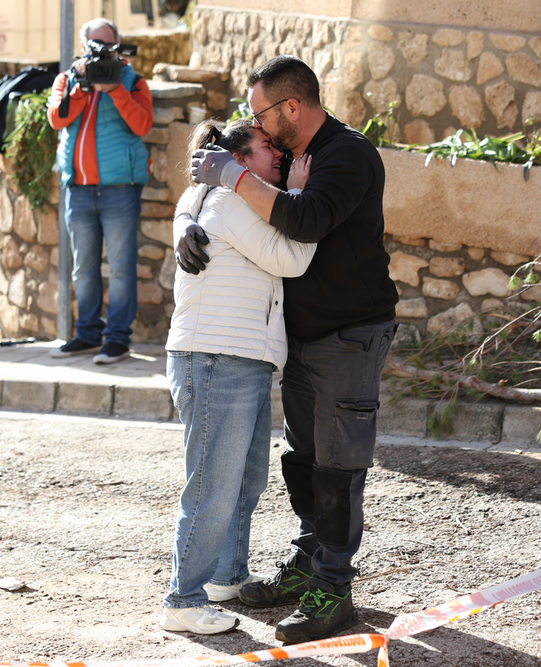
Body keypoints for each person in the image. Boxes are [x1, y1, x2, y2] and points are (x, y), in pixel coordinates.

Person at [179, 55, 400, 644]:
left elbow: (303, 224)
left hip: (349, 334)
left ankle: (333, 588)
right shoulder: (286, 162)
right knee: (305, 460)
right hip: (302, 338)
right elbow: (228, 212)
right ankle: (308, 566)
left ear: (291, 109)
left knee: (338, 465)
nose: (256, 125)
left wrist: (236, 178)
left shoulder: (347, 155)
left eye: (260, 114)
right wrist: (189, 220)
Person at [161, 119, 315, 635]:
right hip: (215, 358)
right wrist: (296, 195)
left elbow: (189, 201)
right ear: (240, 162)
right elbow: (292, 258)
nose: (279, 155)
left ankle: (225, 577)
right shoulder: (230, 203)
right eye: (267, 148)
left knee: (244, 479)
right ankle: (183, 601)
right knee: (212, 486)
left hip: (237, 358)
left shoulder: (217, 201)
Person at [46, 18, 153, 365]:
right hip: (78, 188)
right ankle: (87, 334)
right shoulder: (68, 79)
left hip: (119, 188)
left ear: (117, 46)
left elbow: (142, 124)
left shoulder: (132, 80)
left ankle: (117, 340)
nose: (102, 50)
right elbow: (56, 119)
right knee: (83, 268)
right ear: (83, 46)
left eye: (108, 45)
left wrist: (114, 90)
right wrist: (82, 86)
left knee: (121, 268)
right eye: (95, 45)